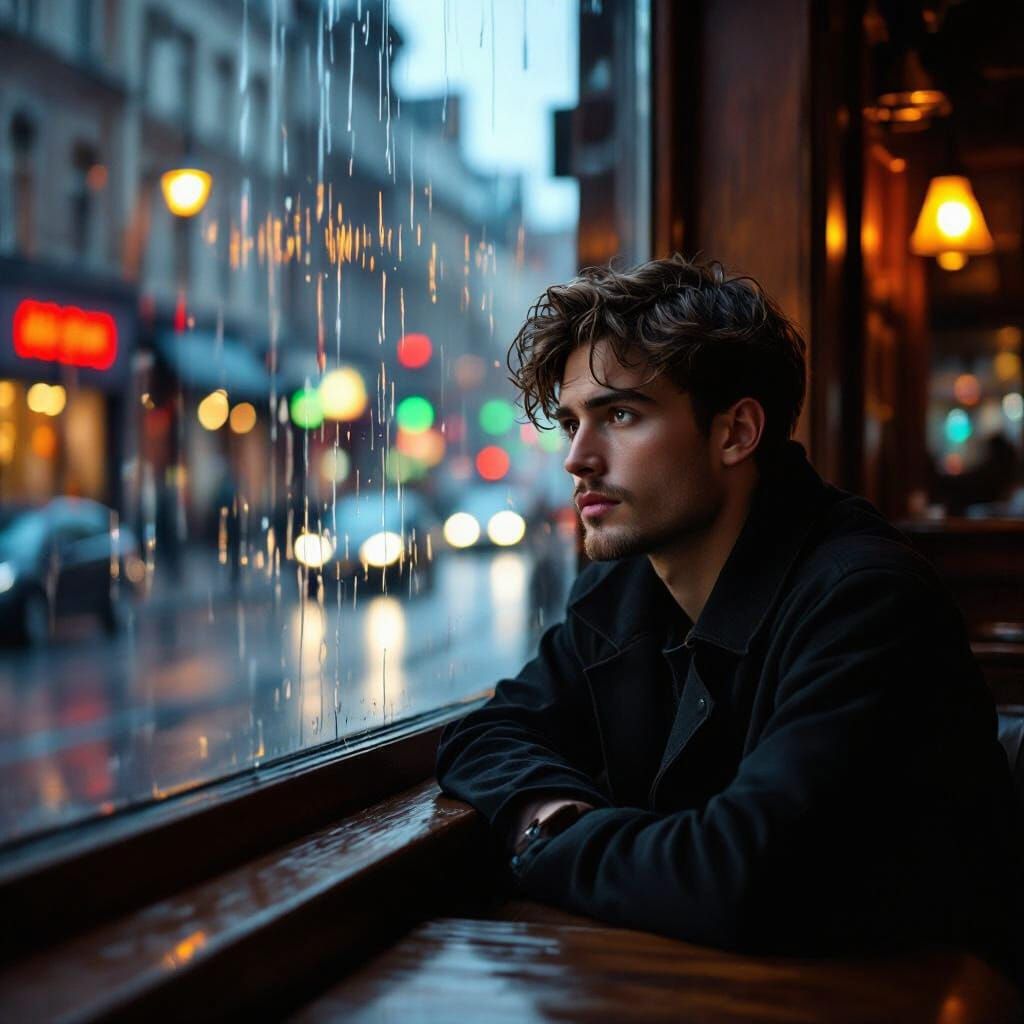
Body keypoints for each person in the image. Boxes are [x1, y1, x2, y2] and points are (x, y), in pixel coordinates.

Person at [436, 254, 1023, 981]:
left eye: (620, 414)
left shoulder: (866, 601)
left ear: (736, 432)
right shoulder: (620, 589)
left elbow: (741, 875)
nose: (578, 458)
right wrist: (559, 817)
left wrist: (551, 837)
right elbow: (486, 734)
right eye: (570, 422)